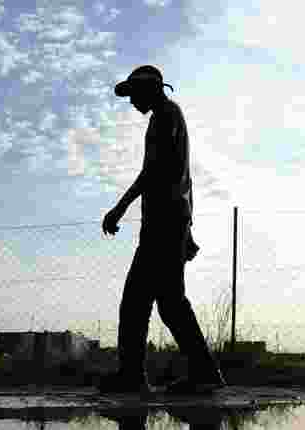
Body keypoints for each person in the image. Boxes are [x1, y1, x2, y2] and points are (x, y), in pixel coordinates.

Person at [99, 65, 225, 394]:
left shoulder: (164, 116)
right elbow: (185, 180)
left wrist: (120, 207)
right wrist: (189, 227)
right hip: (171, 220)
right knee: (168, 301)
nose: (131, 103)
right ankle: (202, 372)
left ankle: (134, 375)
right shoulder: (170, 116)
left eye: (133, 95)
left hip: (163, 223)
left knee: (137, 300)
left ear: (151, 89)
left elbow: (152, 171)